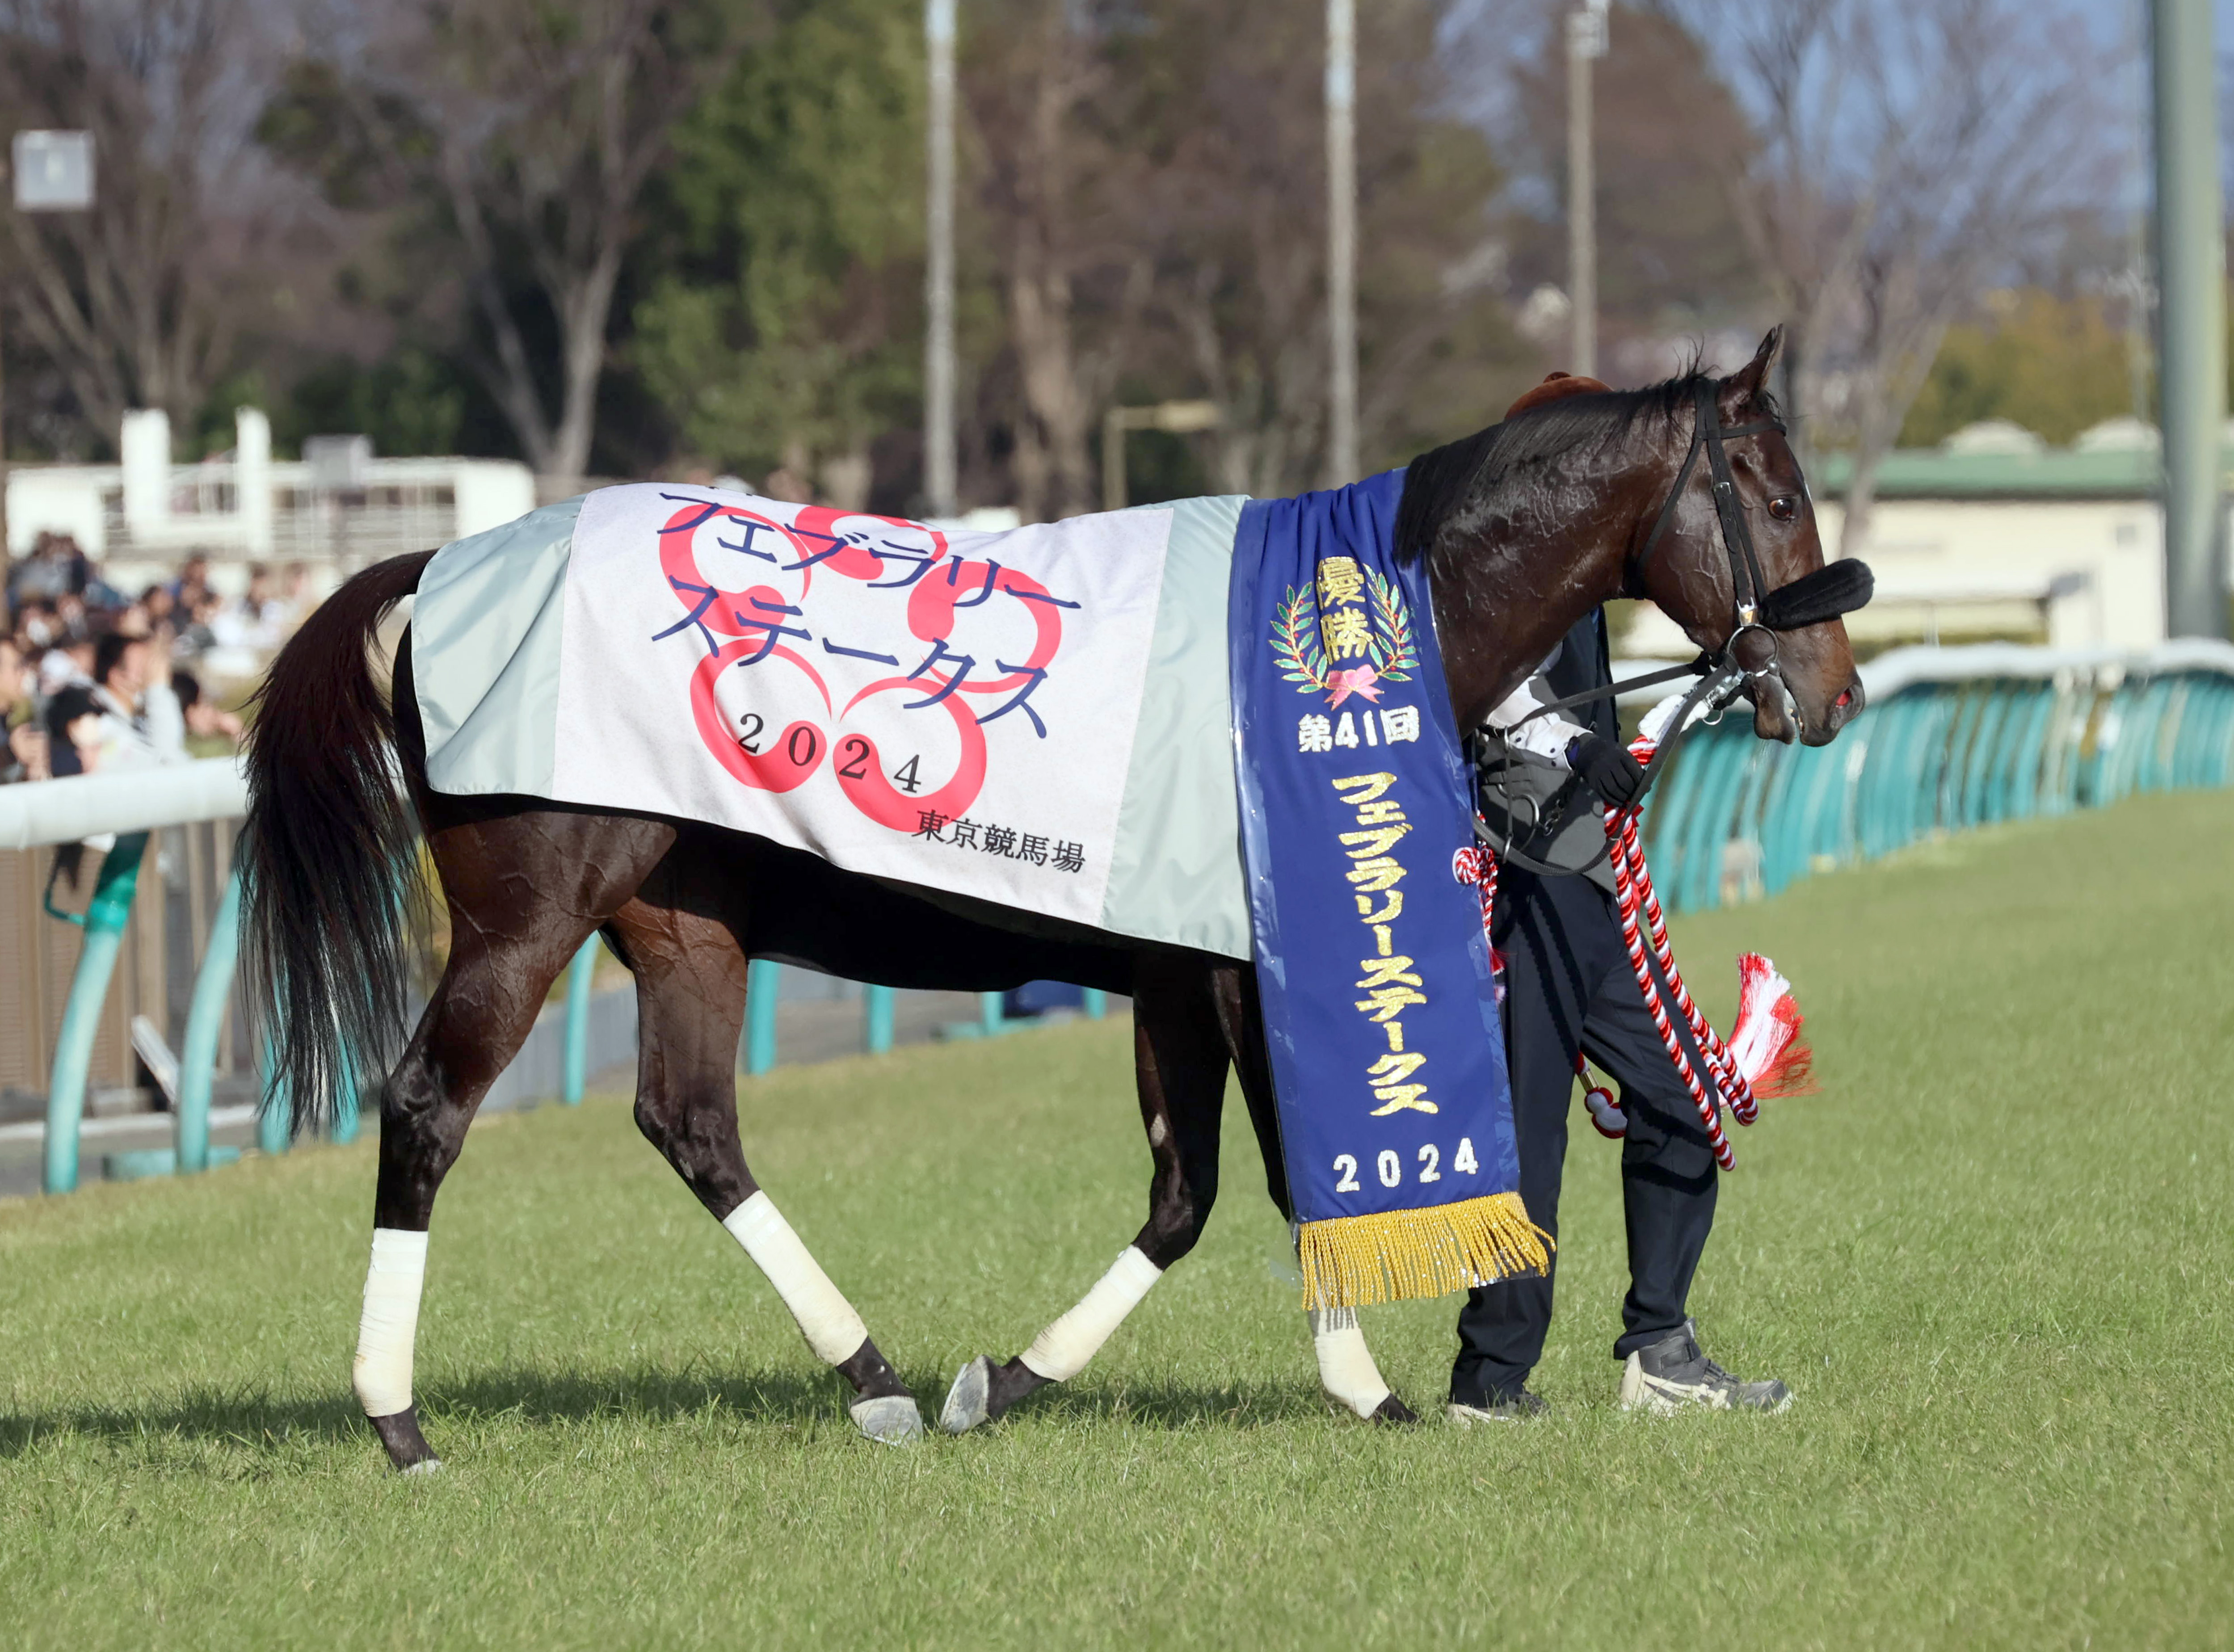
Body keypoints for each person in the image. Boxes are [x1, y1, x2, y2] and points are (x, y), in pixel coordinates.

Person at [1447, 372, 1790, 1423]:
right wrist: (1574, 742)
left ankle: (1660, 1351)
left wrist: (1724, 662)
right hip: (1510, 891)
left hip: (1585, 894)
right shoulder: (1490, 558)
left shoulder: (1590, 564)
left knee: (1684, 1103)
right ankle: (1490, 1383)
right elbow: (1483, 683)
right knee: (1527, 1144)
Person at [0, 635, 51, 782]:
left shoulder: (13, 719)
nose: (25, 673)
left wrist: (32, 773)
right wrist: (10, 753)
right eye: (18, 667)